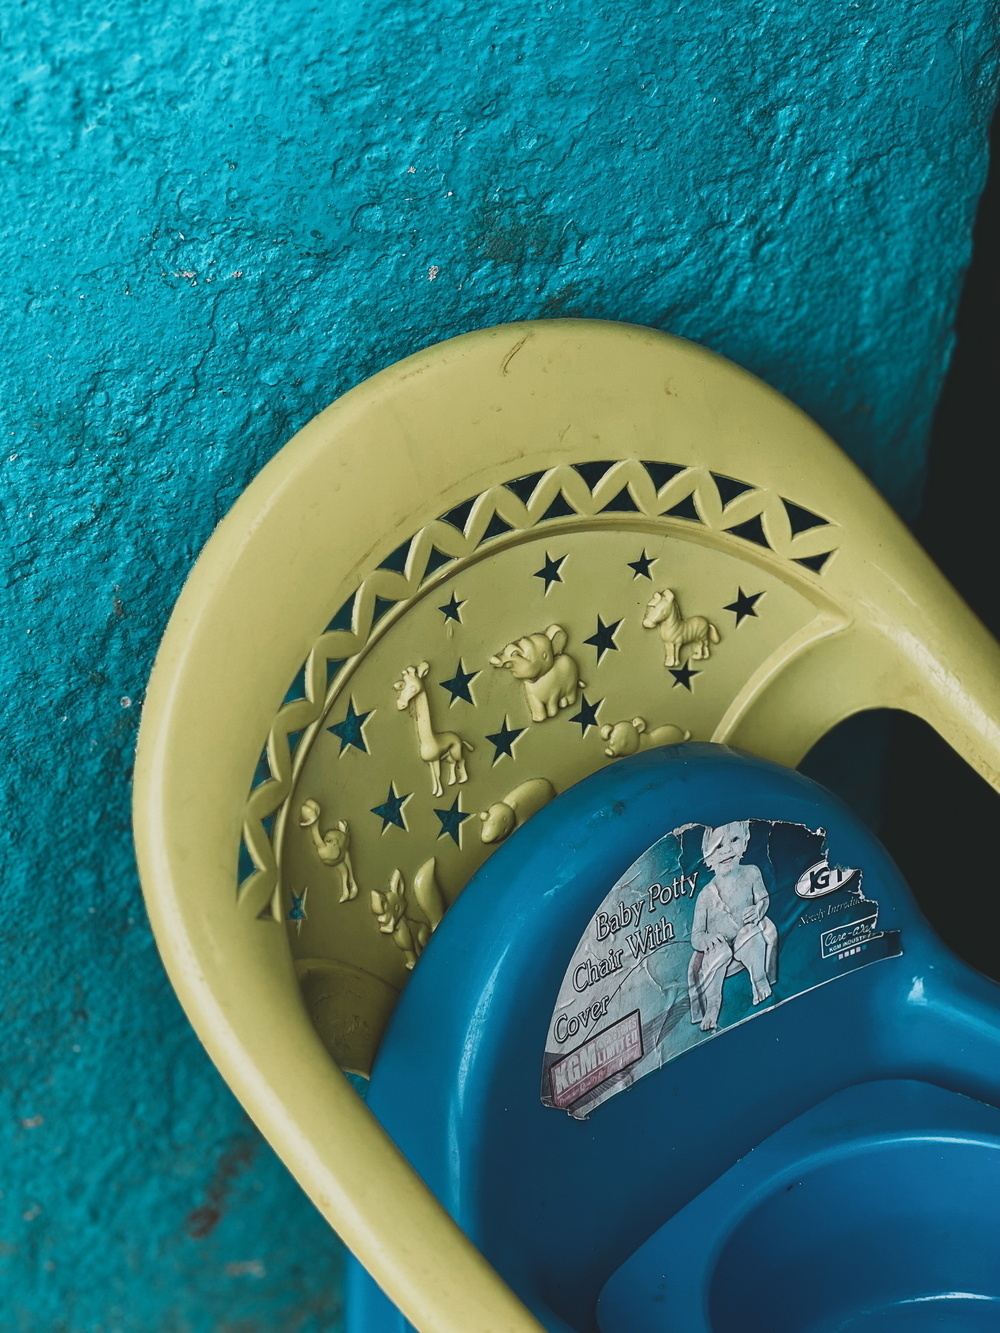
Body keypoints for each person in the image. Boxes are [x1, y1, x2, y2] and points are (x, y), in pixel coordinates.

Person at [688, 821, 777, 1032]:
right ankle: (713, 1007)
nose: (727, 849)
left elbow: (763, 899)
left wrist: (758, 910)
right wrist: (707, 940)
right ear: (707, 854)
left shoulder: (751, 873)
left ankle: (760, 979)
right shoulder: (706, 896)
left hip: (745, 936)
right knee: (715, 956)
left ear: (745, 840)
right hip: (720, 947)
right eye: (718, 846)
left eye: (734, 840)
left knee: (753, 936)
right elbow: (696, 936)